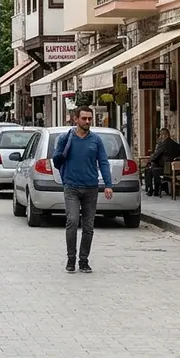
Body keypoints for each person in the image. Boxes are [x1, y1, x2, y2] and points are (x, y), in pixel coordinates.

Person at [52, 106, 113, 274]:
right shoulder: (66, 138)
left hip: (91, 187)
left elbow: (103, 162)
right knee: (72, 221)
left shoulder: (96, 140)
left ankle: (84, 260)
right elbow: (56, 161)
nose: (87, 122)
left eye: (89, 119)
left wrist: (108, 184)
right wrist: (62, 153)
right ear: (76, 119)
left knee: (88, 226)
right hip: (71, 186)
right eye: (84, 118)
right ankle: (71, 258)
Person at [146, 128, 180, 196]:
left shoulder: (163, 144)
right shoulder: (177, 145)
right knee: (153, 169)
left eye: (161, 135)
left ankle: (152, 190)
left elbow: (155, 156)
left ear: (165, 135)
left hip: (165, 169)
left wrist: (151, 159)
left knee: (150, 170)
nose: (160, 137)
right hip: (175, 169)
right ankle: (161, 188)